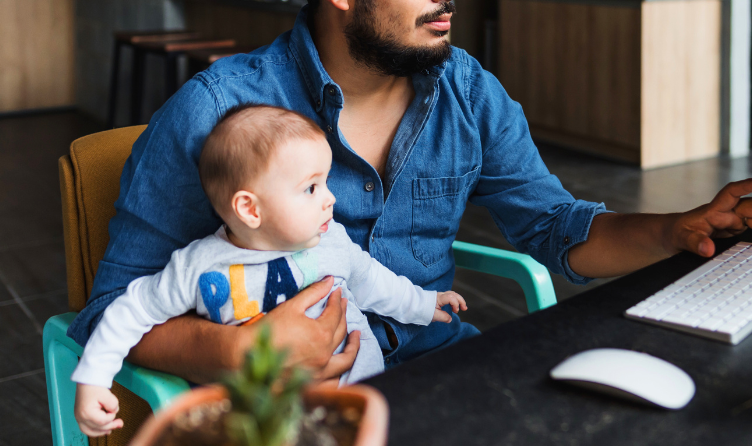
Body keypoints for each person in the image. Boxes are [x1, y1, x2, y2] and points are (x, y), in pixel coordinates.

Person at [68, 0, 752, 387]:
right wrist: (235, 353)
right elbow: (108, 312)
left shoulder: (468, 91)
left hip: (441, 364)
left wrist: (678, 229)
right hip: (288, 402)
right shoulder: (213, 111)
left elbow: (557, 226)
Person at [72, 104, 467, 438]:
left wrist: (424, 303)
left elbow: (374, 282)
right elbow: (131, 310)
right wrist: (93, 379)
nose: (330, 199)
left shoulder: (331, 241)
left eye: (325, 182)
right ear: (250, 209)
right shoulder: (199, 267)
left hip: (360, 408)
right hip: (263, 426)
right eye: (311, 188)